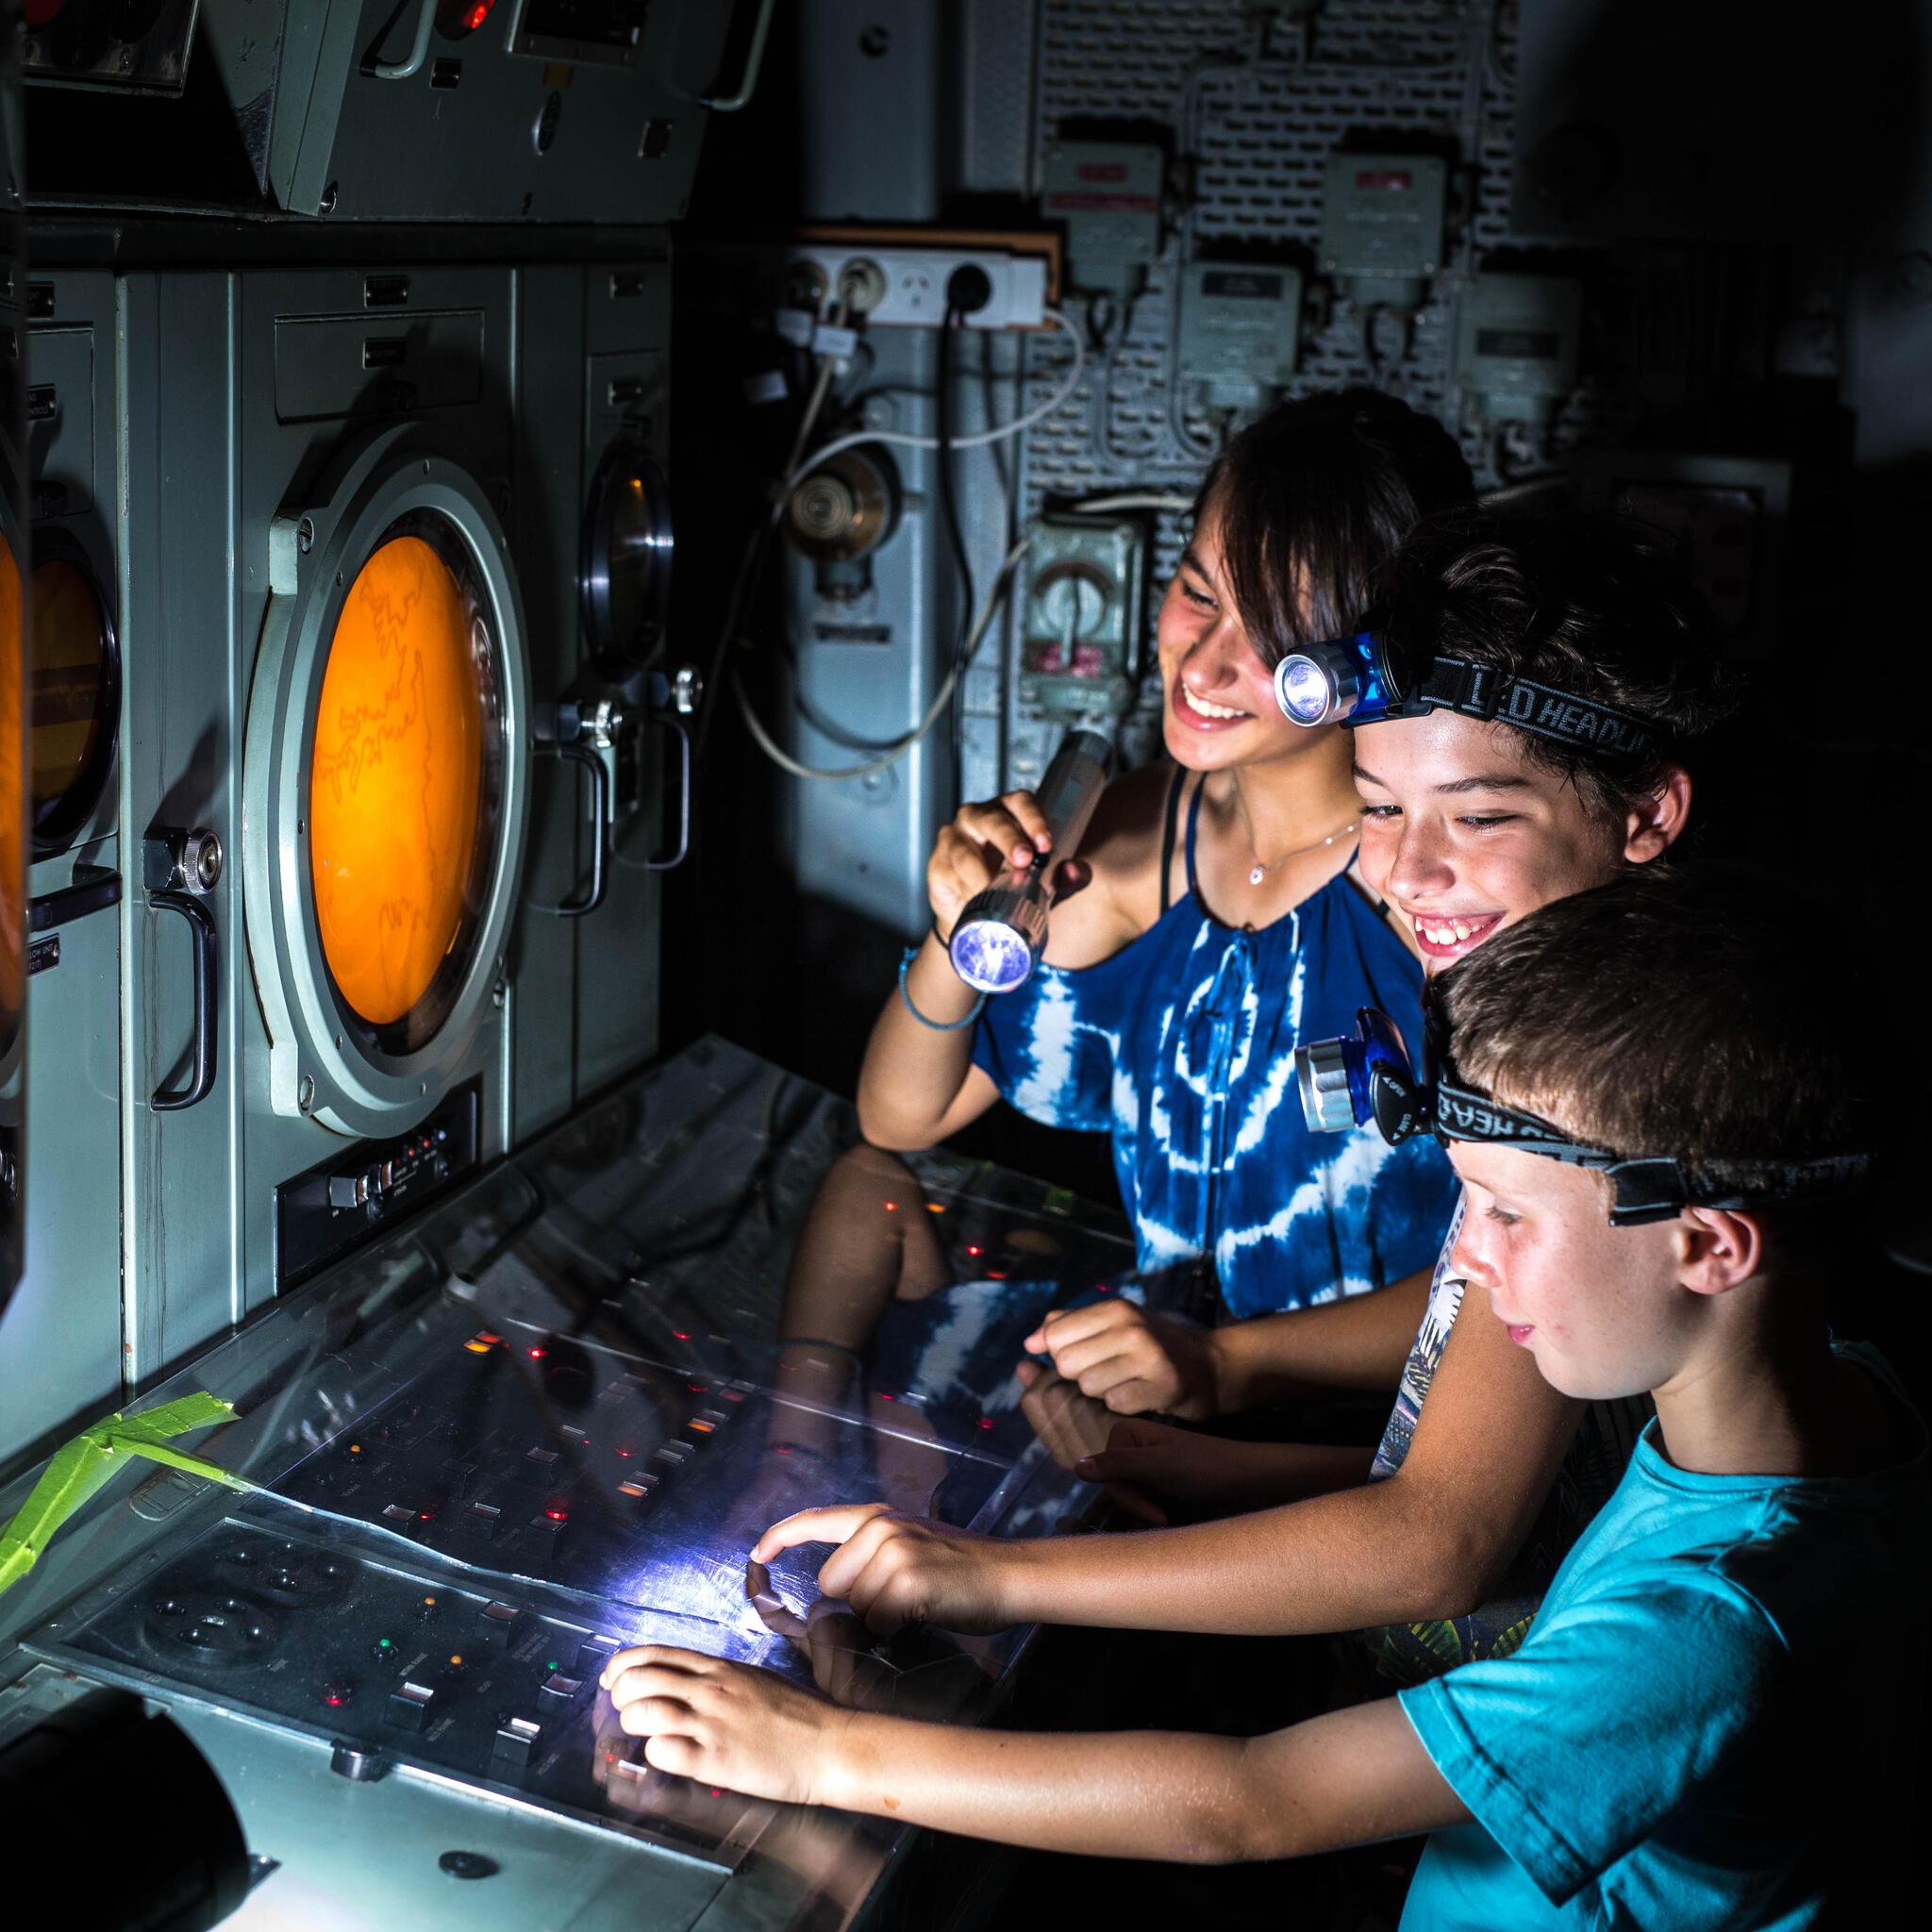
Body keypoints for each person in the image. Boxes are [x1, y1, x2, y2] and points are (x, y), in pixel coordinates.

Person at [600, 865, 1924, 1929]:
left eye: (1508, 1215)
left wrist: (818, 1760)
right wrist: (1026, 1555)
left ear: (1709, 1245)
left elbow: (1243, 1807)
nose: (1462, 1260)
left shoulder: (1713, 1629)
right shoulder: (1827, 1409)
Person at [755, 510, 1738, 1668]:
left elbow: (1434, 1543)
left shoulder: (1610, 1084)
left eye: (1474, 816)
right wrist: (1186, 1452)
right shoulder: (1529, 1020)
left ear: (1647, 816)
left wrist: (978, 1574)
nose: (1405, 871)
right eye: (1376, 809)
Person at [860, 388, 1471, 1323]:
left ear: (1369, 661)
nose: (1202, 666)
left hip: (1364, 1442)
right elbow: (895, 1119)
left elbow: (1500, 1296)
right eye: (1197, 594)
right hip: (1163, 1410)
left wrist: (1221, 1377)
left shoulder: (1429, 893)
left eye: (1275, 638)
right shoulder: (1130, 837)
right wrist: (954, 934)